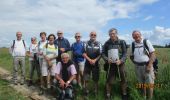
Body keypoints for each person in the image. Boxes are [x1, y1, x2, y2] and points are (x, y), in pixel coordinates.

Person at [102, 28, 128, 100]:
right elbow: (103, 53)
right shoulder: (107, 43)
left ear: (116, 34)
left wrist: (121, 60)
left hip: (120, 64)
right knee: (109, 81)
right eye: (110, 34)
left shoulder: (122, 42)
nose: (112, 35)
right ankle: (108, 95)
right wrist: (107, 59)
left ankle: (124, 94)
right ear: (109, 35)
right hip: (111, 65)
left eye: (113, 33)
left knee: (123, 79)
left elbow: (125, 53)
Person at [130, 30, 156, 100]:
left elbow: (153, 54)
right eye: (134, 36)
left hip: (147, 66)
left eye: (138, 35)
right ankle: (143, 97)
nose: (136, 37)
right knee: (141, 83)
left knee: (150, 84)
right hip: (138, 67)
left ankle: (150, 98)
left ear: (140, 35)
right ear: (133, 37)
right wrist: (135, 63)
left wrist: (149, 66)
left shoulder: (146, 41)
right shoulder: (132, 44)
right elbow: (131, 56)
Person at [83, 31, 102, 97]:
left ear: (96, 36)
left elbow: (100, 54)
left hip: (96, 64)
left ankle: (95, 92)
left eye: (94, 35)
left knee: (95, 79)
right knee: (86, 79)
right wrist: (90, 60)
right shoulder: (85, 43)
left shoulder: (99, 43)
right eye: (92, 34)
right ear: (90, 35)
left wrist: (94, 60)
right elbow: (84, 53)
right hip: (87, 64)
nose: (93, 36)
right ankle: (86, 92)